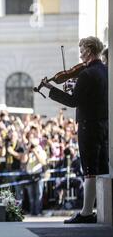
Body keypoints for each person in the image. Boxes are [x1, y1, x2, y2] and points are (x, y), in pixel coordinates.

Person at [41, 36, 108, 224]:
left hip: (89, 124)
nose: (79, 54)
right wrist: (73, 86)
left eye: (81, 50)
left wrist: (50, 89)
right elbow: (90, 95)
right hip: (104, 124)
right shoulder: (105, 70)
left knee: (89, 169)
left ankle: (86, 212)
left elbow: (73, 101)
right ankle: (102, 211)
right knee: (102, 168)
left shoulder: (86, 74)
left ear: (89, 50)